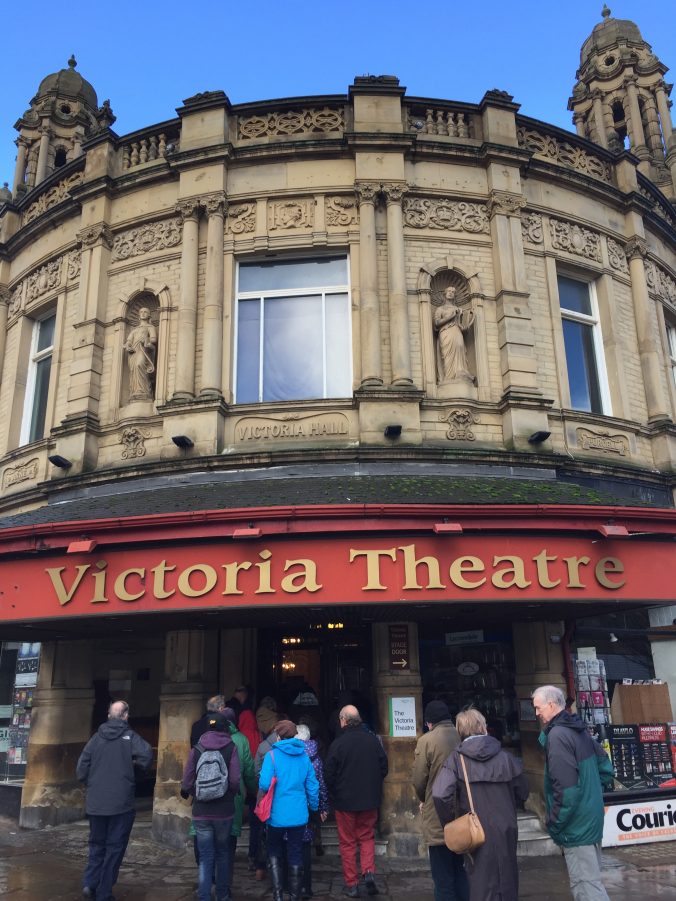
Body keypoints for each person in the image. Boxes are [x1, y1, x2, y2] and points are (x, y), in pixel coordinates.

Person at [432, 707, 528, 901]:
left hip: (474, 828)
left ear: (460, 730)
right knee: (507, 878)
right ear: (483, 727)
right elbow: (523, 791)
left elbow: (440, 794)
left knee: (479, 882)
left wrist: (450, 822)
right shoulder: (505, 757)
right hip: (506, 826)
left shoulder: (456, 760)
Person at [532, 684, 614, 901]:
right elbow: (606, 769)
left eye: (538, 707)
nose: (537, 713)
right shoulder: (578, 730)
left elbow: (566, 790)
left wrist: (554, 822)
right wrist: (592, 795)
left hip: (576, 826)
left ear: (551, 704)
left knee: (585, 887)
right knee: (591, 882)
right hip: (590, 819)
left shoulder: (557, 736)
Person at [76, 699, 153, 901]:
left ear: (109, 715)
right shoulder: (130, 737)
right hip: (121, 803)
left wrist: (92, 783)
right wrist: (133, 767)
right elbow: (146, 756)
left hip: (96, 803)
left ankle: (90, 883)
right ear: (126, 716)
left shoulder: (95, 739)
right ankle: (104, 892)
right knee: (114, 848)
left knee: (96, 845)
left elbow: (81, 769)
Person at [324, 704, 388, 897]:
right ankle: (368, 872)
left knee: (348, 842)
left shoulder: (338, 744)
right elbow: (384, 768)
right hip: (369, 800)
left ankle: (352, 884)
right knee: (367, 837)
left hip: (345, 802)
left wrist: (335, 793)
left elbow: (329, 775)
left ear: (343, 720)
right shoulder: (372, 741)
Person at [180, 711, 241, 901]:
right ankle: (222, 895)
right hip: (224, 811)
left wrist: (197, 794)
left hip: (201, 811)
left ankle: (204, 896)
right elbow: (234, 780)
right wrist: (228, 794)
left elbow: (187, 780)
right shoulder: (231, 747)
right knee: (223, 854)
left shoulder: (197, 748)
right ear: (226, 728)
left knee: (206, 856)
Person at [412, 700, 468, 901]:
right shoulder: (462, 735)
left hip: (437, 813)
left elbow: (419, 780)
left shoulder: (426, 741)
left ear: (429, 722)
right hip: (463, 812)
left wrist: (423, 799)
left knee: (442, 875)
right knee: (459, 870)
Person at [259, 720, 319, 901]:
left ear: (278, 736)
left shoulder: (272, 756)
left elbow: (263, 783)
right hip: (299, 814)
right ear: (294, 736)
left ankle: (278, 894)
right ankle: (295, 896)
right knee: (295, 852)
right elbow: (313, 787)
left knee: (275, 850)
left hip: (276, 814)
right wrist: (314, 808)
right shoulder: (304, 758)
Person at [222, 707, 257, 896]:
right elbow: (249, 771)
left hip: (206, 804)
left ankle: (207, 885)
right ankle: (225, 887)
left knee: (209, 847)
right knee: (229, 846)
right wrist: (252, 793)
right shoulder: (241, 740)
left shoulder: (205, 739)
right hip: (234, 799)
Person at [297, 723, 330, 898]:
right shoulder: (316, 759)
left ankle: (293, 885)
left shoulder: (291, 755)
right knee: (305, 847)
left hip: (293, 807)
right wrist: (323, 807)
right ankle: (306, 887)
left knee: (292, 847)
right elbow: (321, 785)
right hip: (310, 808)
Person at [433, 286, 474, 382]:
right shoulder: (440, 309)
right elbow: (437, 323)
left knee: (459, 347)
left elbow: (460, 324)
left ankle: (459, 372)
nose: (451, 293)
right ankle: (449, 377)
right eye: (449, 291)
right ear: (445, 294)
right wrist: (451, 316)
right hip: (446, 332)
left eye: (453, 292)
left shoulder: (458, 309)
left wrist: (464, 326)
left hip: (456, 331)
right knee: (447, 355)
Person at [124, 307, 157, 400]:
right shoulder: (135, 330)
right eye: (141, 312)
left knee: (140, 365)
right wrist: (128, 346)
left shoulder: (150, 327)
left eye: (145, 312)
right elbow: (129, 341)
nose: (143, 313)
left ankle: (144, 390)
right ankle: (136, 390)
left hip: (143, 350)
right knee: (134, 370)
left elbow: (154, 339)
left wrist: (146, 340)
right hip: (134, 352)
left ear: (149, 315)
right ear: (139, 315)